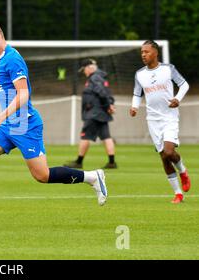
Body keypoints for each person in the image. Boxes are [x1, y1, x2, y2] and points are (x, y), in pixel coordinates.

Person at [0, 21, 108, 224]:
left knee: (42, 175)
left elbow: (23, 95)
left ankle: (92, 177)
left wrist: (0, 116)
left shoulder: (13, 59)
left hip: (24, 124)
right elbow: (5, 88)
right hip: (8, 125)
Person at [130, 40, 191, 204]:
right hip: (153, 120)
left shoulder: (168, 69)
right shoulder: (140, 74)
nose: (143, 55)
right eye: (142, 52)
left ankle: (183, 171)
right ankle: (178, 193)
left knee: (169, 152)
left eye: (147, 52)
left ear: (156, 53)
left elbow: (184, 85)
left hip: (170, 116)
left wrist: (177, 99)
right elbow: (137, 94)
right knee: (164, 157)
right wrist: (134, 107)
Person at [64, 58, 117, 169]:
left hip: (94, 113)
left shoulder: (94, 78)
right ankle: (112, 162)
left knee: (85, 136)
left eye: (84, 69)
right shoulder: (101, 77)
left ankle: (78, 162)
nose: (84, 72)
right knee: (106, 136)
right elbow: (107, 94)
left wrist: (108, 105)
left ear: (89, 68)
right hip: (101, 113)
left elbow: (102, 93)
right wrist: (110, 104)